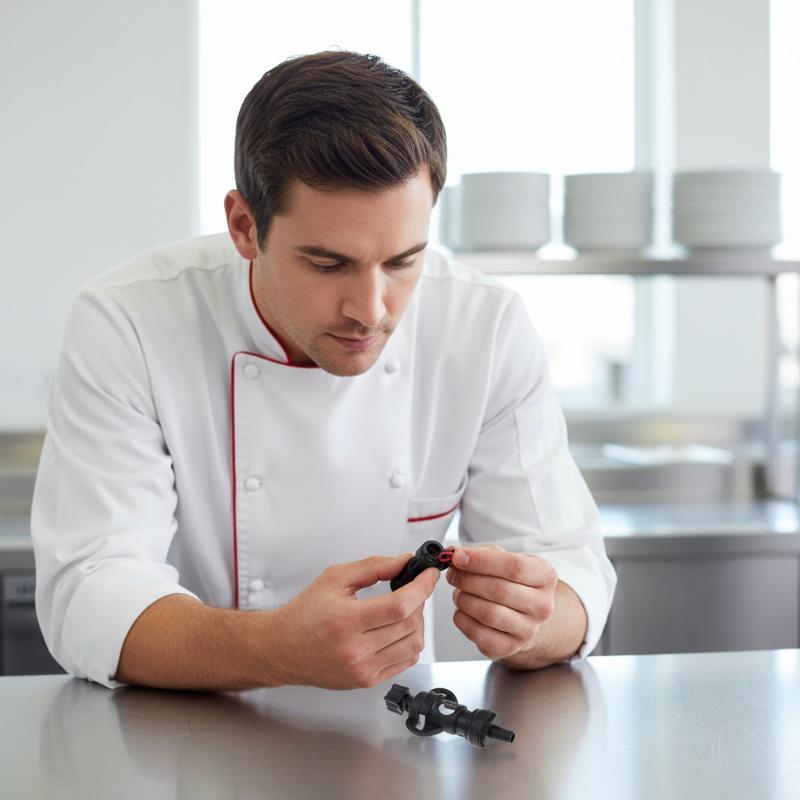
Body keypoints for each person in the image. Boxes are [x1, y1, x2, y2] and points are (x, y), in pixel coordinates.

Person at [31, 50, 616, 691]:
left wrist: (531, 621)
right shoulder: (130, 320)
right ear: (244, 226)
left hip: (397, 728)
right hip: (187, 723)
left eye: (403, 261)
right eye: (328, 264)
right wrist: (274, 649)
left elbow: (572, 578)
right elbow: (89, 595)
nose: (371, 310)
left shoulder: (485, 325)